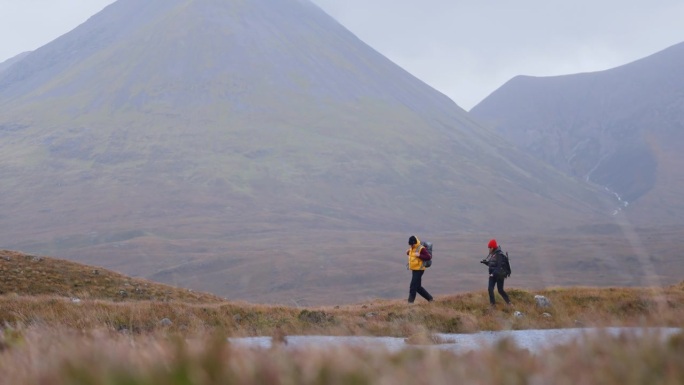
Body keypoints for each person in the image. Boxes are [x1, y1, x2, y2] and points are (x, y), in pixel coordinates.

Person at [480, 238, 511, 307]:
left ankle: (509, 303)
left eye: (490, 247)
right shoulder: (494, 254)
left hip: (499, 275)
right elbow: (493, 264)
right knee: (490, 289)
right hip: (493, 275)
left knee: (500, 290)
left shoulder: (500, 255)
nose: (489, 249)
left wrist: (493, 274)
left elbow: (499, 266)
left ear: (493, 247)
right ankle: (492, 305)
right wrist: (486, 263)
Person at [406, 235, 433, 303]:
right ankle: (430, 299)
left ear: (414, 243)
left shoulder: (421, 248)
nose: (411, 246)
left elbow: (428, 257)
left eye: (412, 244)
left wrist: (420, 255)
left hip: (419, 270)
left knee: (413, 286)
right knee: (418, 287)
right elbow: (413, 255)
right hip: (414, 269)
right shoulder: (412, 248)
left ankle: (410, 303)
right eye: (410, 244)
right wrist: (408, 252)